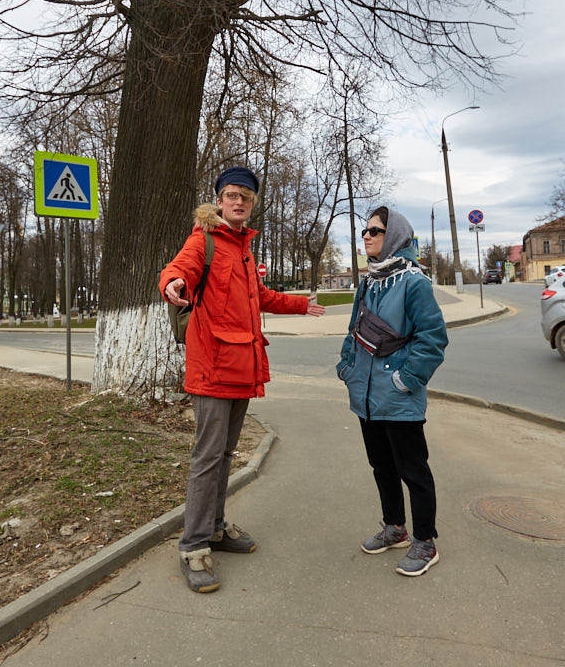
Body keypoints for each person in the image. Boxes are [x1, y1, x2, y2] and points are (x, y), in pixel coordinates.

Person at [160, 166, 326, 593]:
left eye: (246, 198)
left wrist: (299, 306)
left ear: (252, 204)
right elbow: (181, 268)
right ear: (219, 200)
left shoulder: (245, 250)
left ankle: (215, 527)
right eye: (231, 195)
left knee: (227, 454)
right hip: (213, 367)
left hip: (242, 367)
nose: (238, 202)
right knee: (207, 457)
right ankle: (193, 547)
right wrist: (174, 282)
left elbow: (262, 297)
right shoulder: (205, 241)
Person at [336, 206, 448, 577]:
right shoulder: (369, 281)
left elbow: (432, 340)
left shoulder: (415, 282)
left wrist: (405, 380)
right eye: (365, 231)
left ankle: (425, 542)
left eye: (376, 231)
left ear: (396, 236)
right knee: (381, 466)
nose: (366, 236)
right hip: (367, 398)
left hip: (399, 398)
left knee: (413, 471)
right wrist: (347, 368)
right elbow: (354, 330)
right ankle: (395, 528)